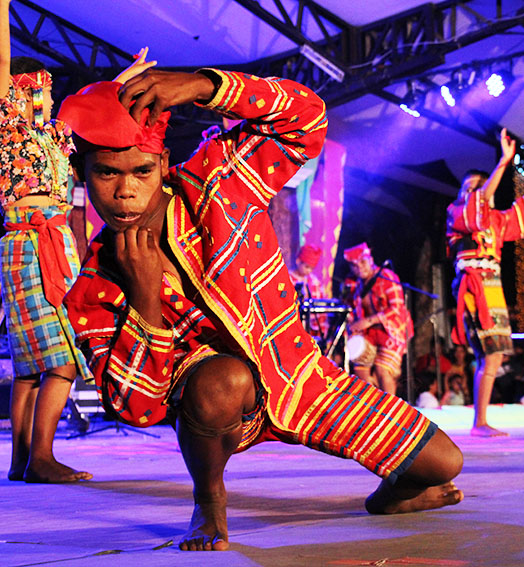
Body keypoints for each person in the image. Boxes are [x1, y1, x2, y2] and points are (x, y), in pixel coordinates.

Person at [59, 68, 463, 551]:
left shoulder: (218, 183)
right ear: (83, 173)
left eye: (141, 171)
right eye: (107, 172)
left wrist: (203, 86)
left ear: (163, 164)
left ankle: (393, 494)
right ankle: (209, 501)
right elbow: (135, 408)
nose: (125, 191)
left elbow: (306, 119)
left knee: (443, 463)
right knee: (221, 380)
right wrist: (144, 299)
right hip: (218, 401)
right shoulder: (96, 284)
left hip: (302, 382)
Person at [0, 1, 153, 483]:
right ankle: (41, 456)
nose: (42, 98)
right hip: (30, 241)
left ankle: (23, 461)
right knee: (59, 359)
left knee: (30, 365)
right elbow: (4, 67)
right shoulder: (9, 130)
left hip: (50, 240)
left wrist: (127, 76)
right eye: (33, 92)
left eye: (45, 90)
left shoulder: (54, 137)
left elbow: (98, 107)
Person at [447, 128, 524, 436]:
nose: (477, 192)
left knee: (493, 354)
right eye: (470, 187)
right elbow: (479, 202)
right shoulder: (456, 213)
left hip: (492, 284)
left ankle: (481, 421)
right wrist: (503, 163)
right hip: (473, 282)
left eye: (480, 187)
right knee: (489, 352)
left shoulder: (494, 220)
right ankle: (479, 422)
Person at [343, 242, 413, 397]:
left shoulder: (386, 277)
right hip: (370, 334)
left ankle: (390, 412)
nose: (359, 268)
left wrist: (368, 321)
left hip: (392, 330)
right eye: (354, 265)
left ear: (370, 259)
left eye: (362, 262)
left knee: (382, 369)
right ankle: (371, 406)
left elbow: (396, 308)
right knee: (359, 366)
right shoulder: (356, 285)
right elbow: (352, 309)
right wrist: (352, 323)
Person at [289, 244, 328, 338]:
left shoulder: (315, 282)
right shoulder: (287, 278)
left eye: (311, 268)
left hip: (311, 330)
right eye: (307, 267)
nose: (309, 271)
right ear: (298, 261)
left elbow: (321, 307)